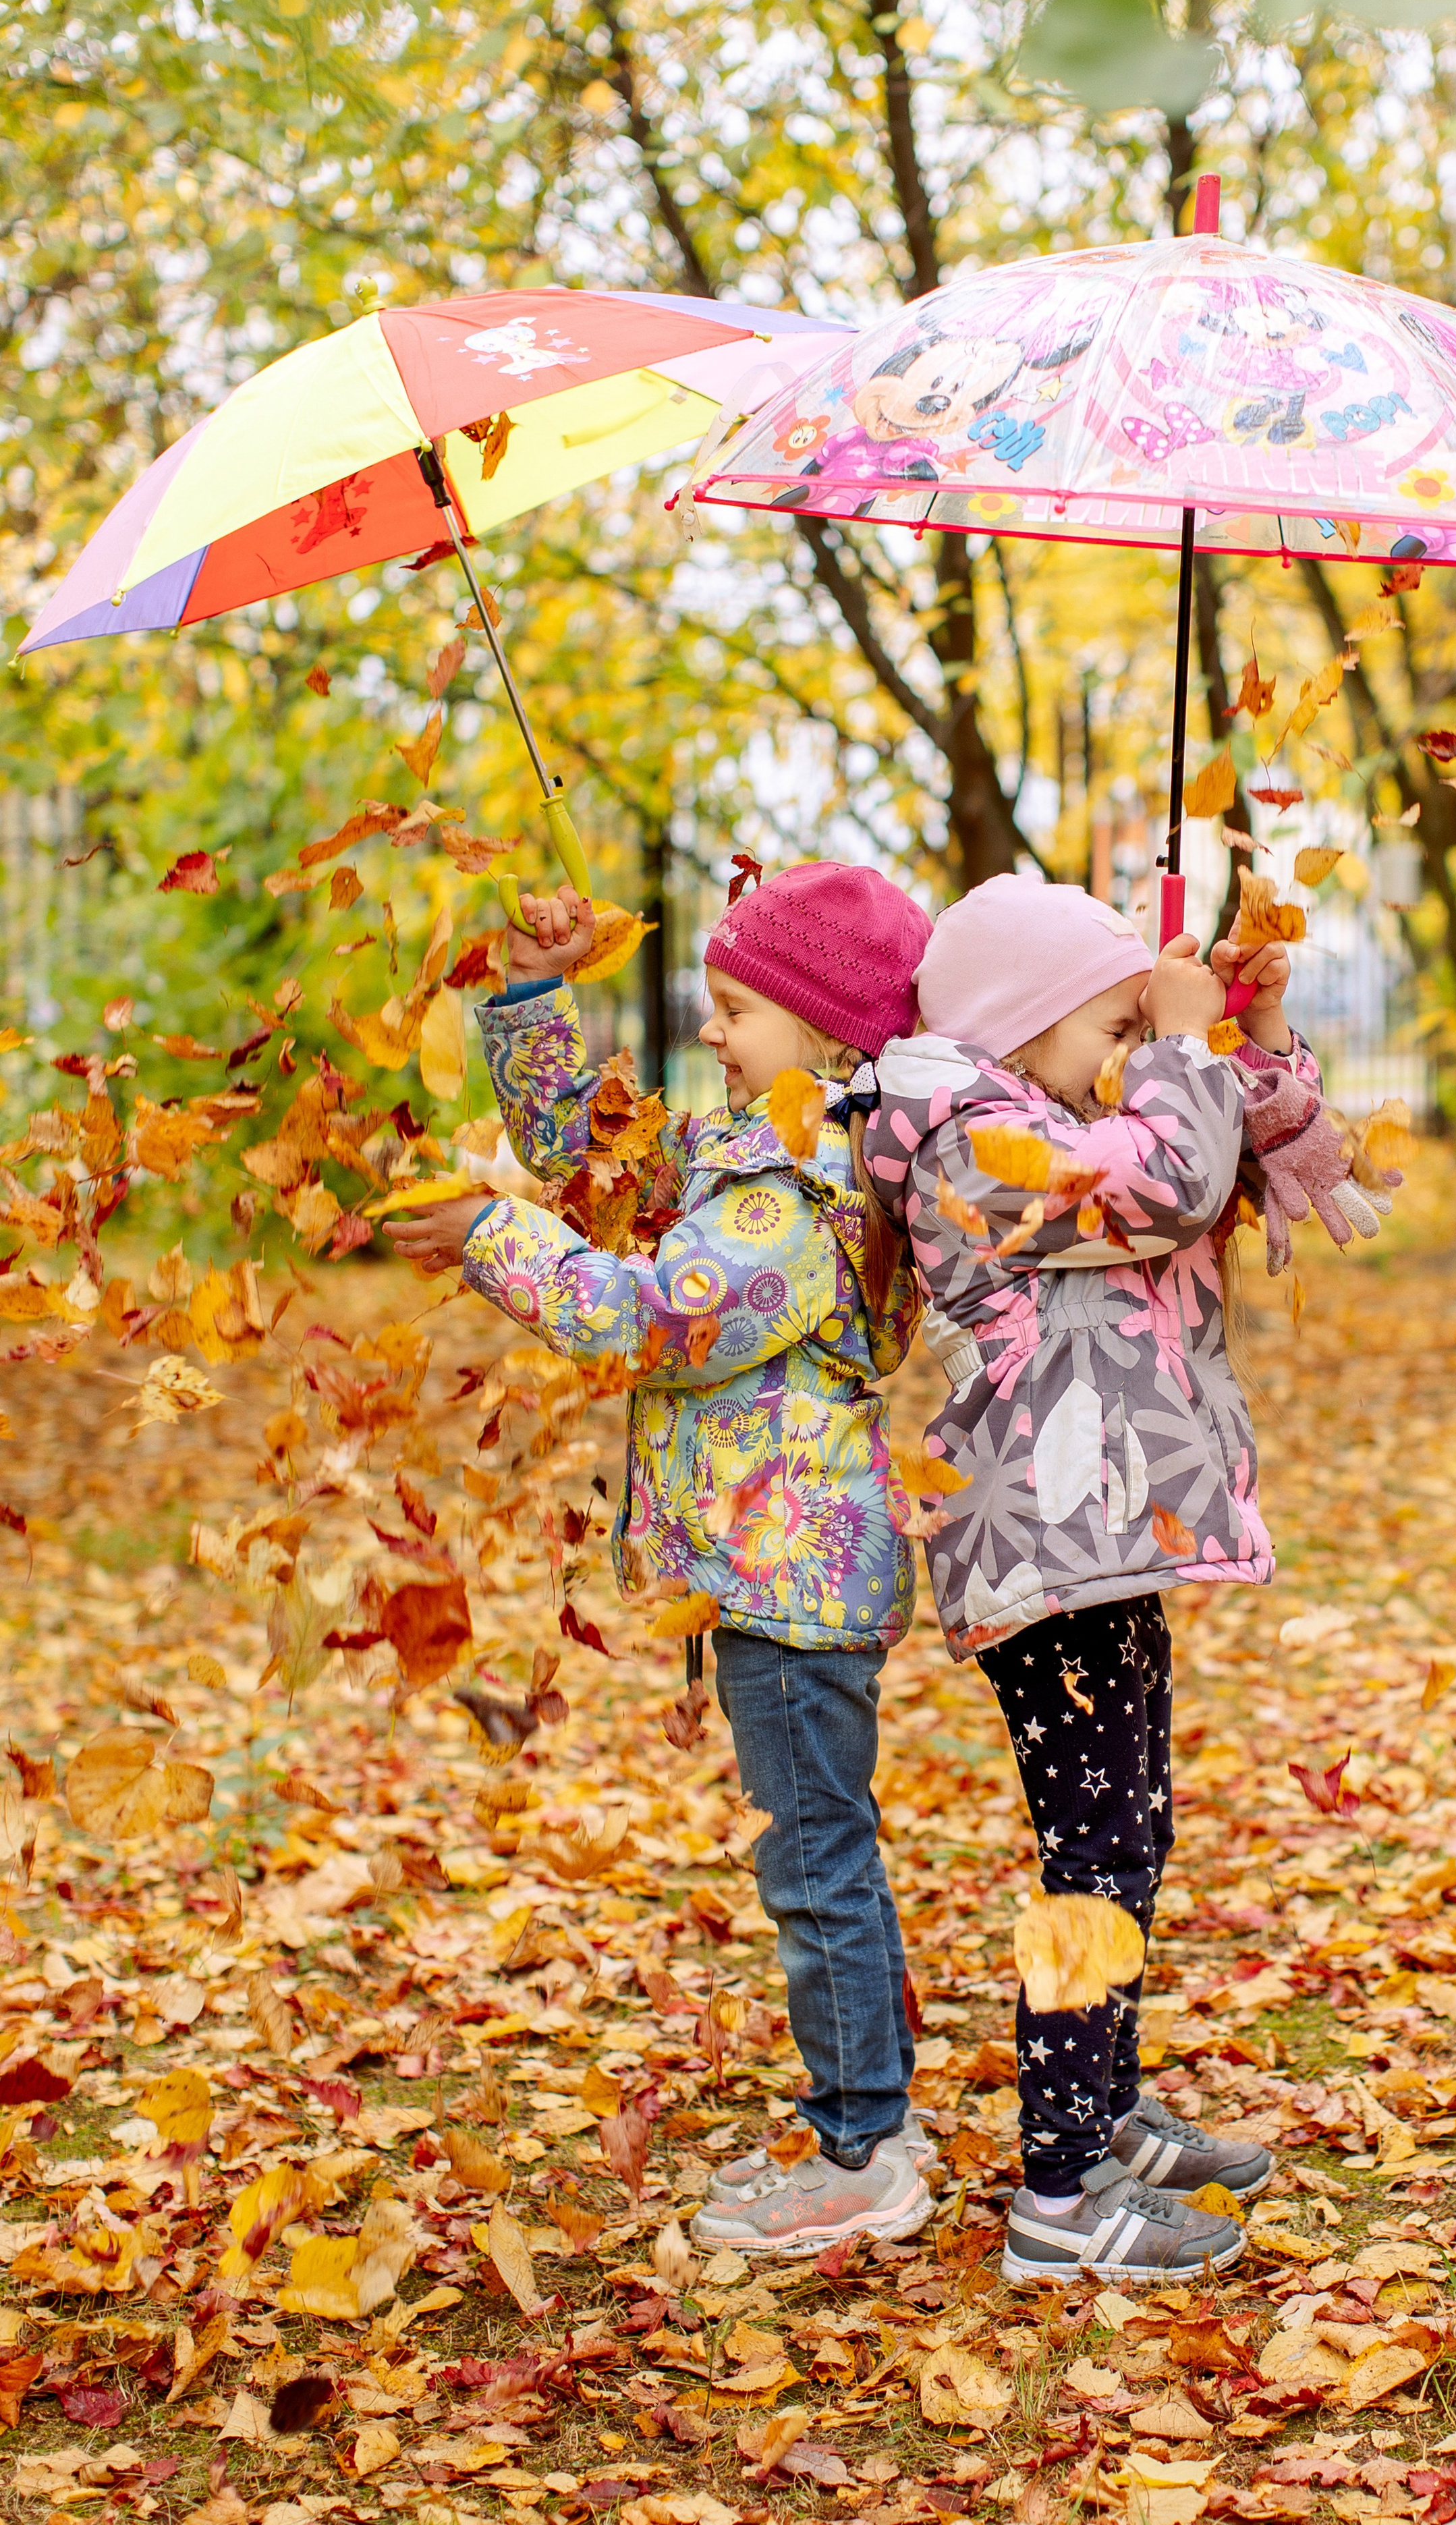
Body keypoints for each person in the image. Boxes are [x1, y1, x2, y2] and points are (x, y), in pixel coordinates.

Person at [387, 861, 939, 2258]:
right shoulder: (759, 1156)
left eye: (734, 1011)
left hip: (794, 1583)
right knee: (819, 1851)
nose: (708, 1032)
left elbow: (648, 1319)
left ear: (824, 1042)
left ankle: (866, 2147)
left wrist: (492, 1239)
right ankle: (869, 2116)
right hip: (776, 1574)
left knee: (817, 1862)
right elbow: (589, 1150)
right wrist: (528, 989)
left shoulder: (785, 1207)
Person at [862, 877, 1389, 2283]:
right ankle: (1057, 2187)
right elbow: (1163, 1183)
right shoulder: (968, 1140)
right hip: (1047, 1545)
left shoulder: (1050, 1109)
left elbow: (1250, 1149)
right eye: (1101, 1024)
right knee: (1089, 1857)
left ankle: (1098, 2116)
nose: (1119, 1052)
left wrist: (1241, 1026)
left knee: (1128, 1835)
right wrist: (1169, 1046)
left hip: (1102, 1537)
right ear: (1025, 1022)